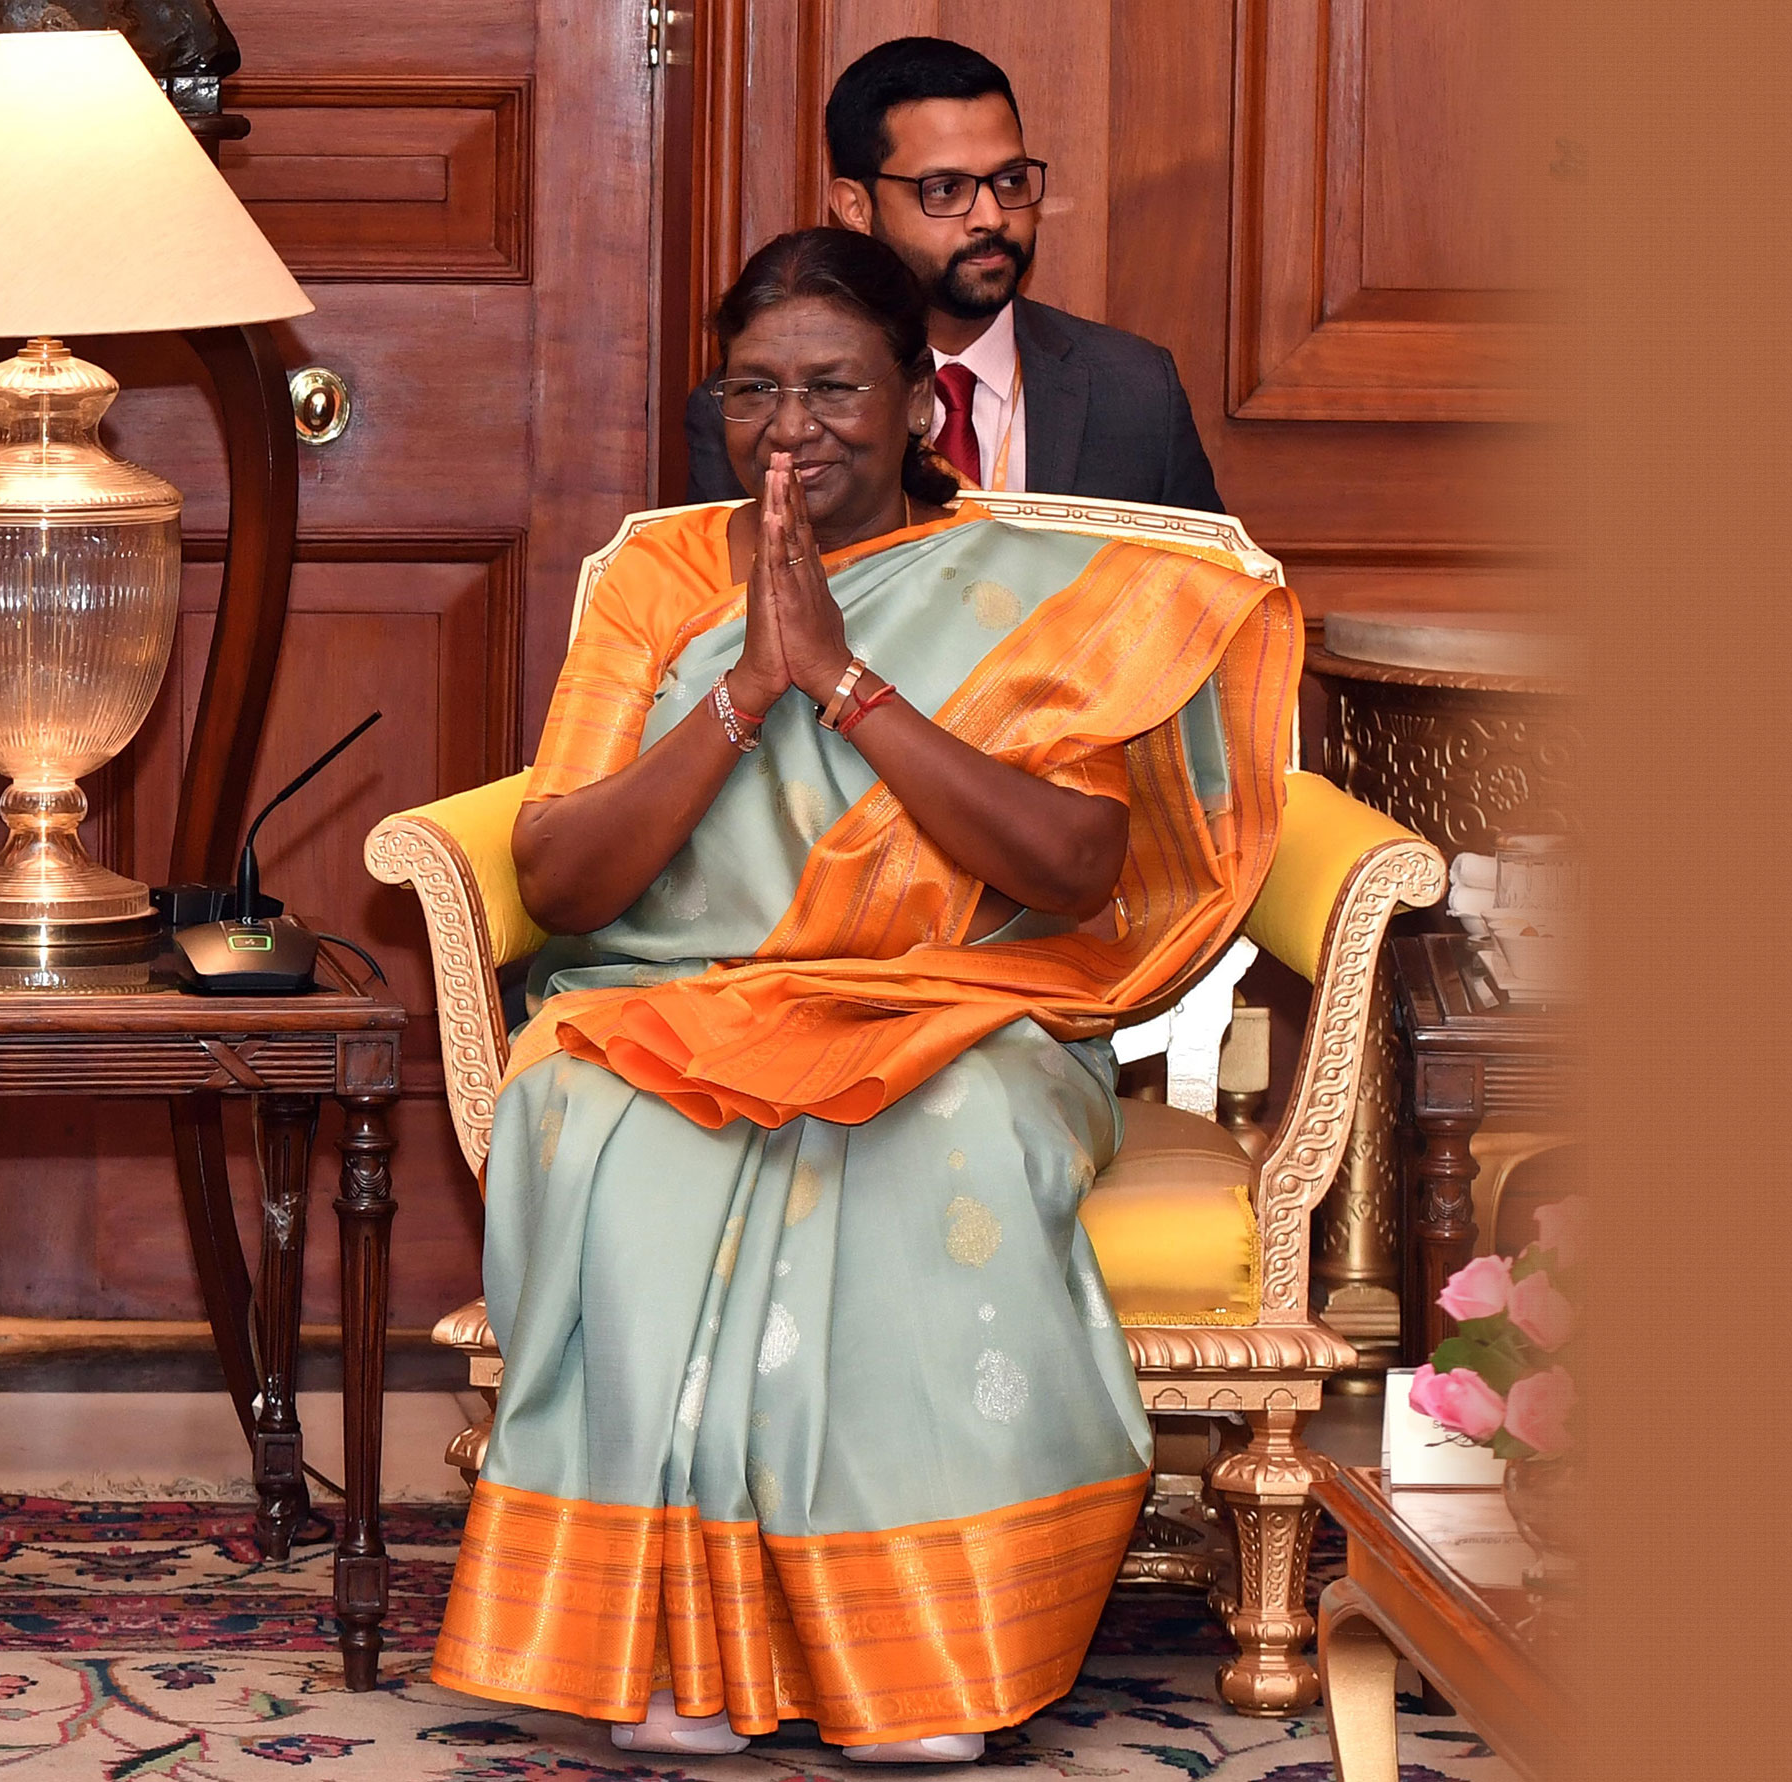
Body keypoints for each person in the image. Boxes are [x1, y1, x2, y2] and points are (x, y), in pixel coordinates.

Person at [434, 228, 1297, 1764]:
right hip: (679, 996)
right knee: (594, 1105)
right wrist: (745, 689)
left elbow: (1077, 859)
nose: (789, 427)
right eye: (753, 391)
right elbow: (563, 882)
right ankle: (672, 1655)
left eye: (833, 386)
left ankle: (925, 1659)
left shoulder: (1025, 592)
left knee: (941, 1124)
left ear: (916, 405)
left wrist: (844, 681)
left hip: (955, 1004)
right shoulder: (657, 577)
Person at [680, 37, 1225, 514]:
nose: (991, 217)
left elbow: (1212, 606)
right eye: (945, 190)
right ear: (855, 207)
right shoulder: (756, 408)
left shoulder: (1134, 386)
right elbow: (729, 612)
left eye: (1009, 181)